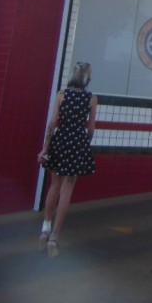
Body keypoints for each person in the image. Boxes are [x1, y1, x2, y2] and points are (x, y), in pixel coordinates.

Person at [37, 61, 97, 257]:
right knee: (67, 190)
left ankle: (45, 229)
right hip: (77, 142)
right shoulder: (91, 99)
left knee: (54, 185)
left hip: (60, 140)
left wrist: (45, 148)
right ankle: (54, 237)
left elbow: (53, 122)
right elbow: (90, 129)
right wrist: (83, 144)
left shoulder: (61, 95)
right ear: (86, 78)